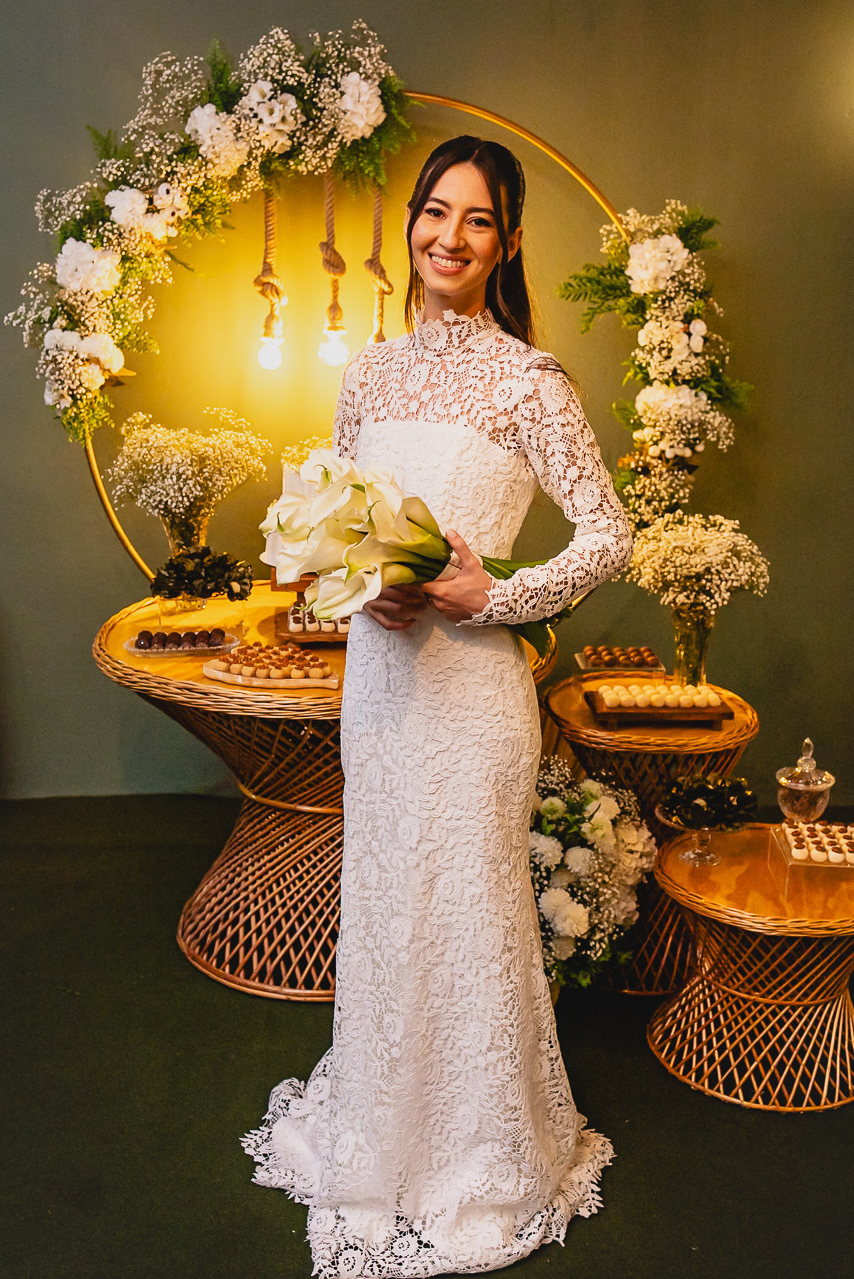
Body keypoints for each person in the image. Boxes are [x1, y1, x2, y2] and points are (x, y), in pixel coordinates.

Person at [243, 135, 633, 1277]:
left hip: (472, 698)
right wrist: (357, 591)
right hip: (380, 684)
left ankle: (481, 1152)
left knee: (467, 912)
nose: (447, 237)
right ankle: (383, 1123)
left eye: (475, 220)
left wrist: (493, 593)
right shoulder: (367, 372)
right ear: (410, 223)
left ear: (505, 241)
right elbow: (327, 523)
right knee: (384, 894)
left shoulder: (528, 380)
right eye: (432, 211)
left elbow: (608, 533)